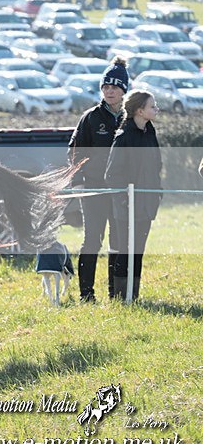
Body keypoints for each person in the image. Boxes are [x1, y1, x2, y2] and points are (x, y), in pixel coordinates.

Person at [68, 57, 129, 302]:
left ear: (124, 90)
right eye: (106, 87)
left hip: (120, 190)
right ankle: (86, 294)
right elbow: (74, 151)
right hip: (93, 188)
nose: (109, 91)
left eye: (114, 87)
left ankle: (115, 293)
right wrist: (79, 181)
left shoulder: (129, 118)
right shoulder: (91, 117)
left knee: (118, 240)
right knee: (92, 239)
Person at [104, 91, 162, 301]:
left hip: (146, 204)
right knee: (126, 251)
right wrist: (124, 200)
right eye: (152, 106)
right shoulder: (123, 137)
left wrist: (157, 192)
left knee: (138, 251)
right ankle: (120, 297)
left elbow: (156, 166)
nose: (156, 110)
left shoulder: (150, 132)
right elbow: (111, 174)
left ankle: (133, 296)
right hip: (127, 207)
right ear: (140, 110)